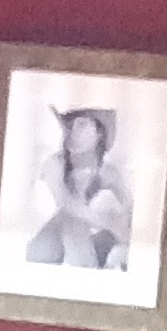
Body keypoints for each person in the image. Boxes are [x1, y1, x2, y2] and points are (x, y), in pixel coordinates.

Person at [27, 104, 131, 267]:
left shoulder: (109, 172)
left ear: (99, 133)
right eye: (69, 125)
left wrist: (121, 231)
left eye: (81, 124)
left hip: (89, 247)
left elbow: (129, 210)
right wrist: (110, 223)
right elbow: (66, 204)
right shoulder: (54, 164)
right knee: (71, 218)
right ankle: (86, 269)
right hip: (44, 252)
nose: (72, 131)